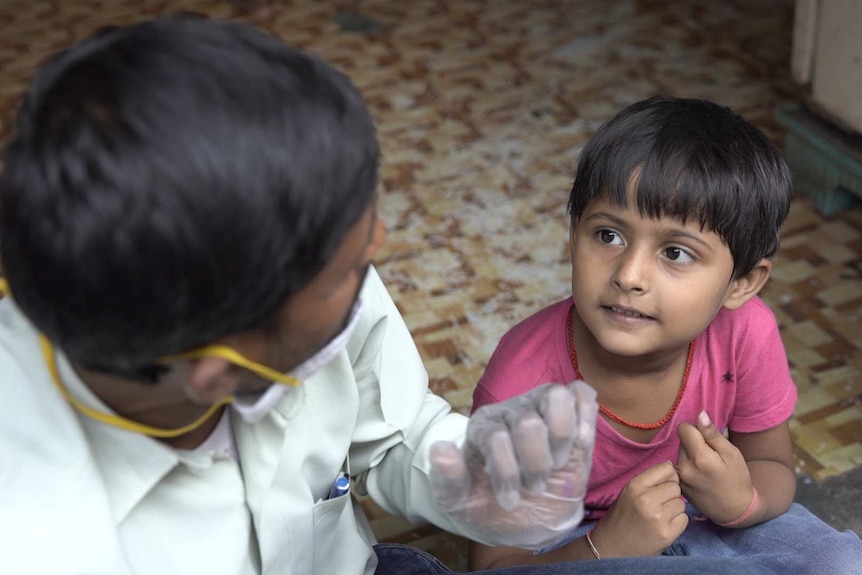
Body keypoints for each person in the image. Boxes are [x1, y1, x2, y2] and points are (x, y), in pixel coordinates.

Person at [0, 17, 783, 575]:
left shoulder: (293, 282)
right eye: (349, 275)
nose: (373, 267)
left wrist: (484, 479)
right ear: (221, 375)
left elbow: (391, 437)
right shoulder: (45, 538)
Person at [469, 96, 862, 574]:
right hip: (574, 545)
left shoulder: (745, 332)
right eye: (608, 235)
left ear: (742, 282)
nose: (629, 275)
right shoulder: (521, 385)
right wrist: (606, 547)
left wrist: (741, 502)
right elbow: (493, 566)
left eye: (676, 253)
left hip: (709, 518)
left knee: (840, 561)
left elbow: (773, 469)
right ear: (573, 235)